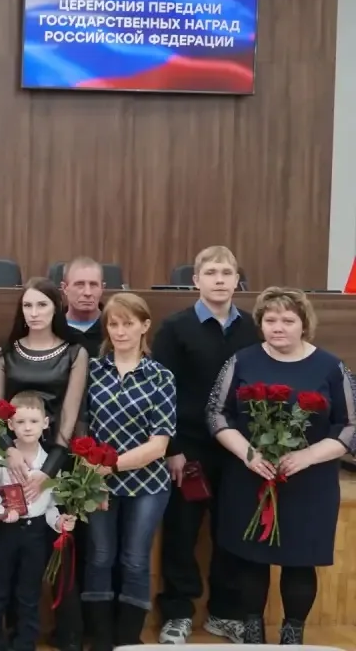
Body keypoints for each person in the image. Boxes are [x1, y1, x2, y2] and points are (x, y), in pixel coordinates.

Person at [206, 287, 356, 645]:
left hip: (309, 481)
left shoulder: (331, 367)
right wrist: (248, 453)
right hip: (251, 476)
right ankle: (252, 634)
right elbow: (216, 413)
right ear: (260, 323)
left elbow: (350, 425)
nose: (278, 327)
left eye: (288, 320)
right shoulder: (241, 361)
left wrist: (307, 455)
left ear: (304, 324)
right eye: (270, 319)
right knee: (251, 559)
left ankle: (292, 637)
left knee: (299, 561)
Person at [152, 246, 258, 645]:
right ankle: (178, 613)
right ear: (196, 280)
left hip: (237, 450)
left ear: (237, 281)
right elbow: (162, 393)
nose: (219, 279)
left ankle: (224, 614)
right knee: (181, 533)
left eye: (226, 273)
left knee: (231, 532)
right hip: (189, 449)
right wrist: (173, 448)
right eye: (211, 272)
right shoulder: (175, 328)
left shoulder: (252, 328)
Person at [0, 277, 88, 651]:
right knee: (10, 553)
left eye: (42, 305)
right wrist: (9, 451)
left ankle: (65, 634)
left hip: (57, 458)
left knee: (57, 549)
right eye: (28, 306)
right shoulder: (5, 353)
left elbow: (69, 417)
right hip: (12, 455)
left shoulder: (74, 353)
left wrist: (48, 472)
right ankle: (10, 635)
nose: (34, 313)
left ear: (56, 308)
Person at [81, 294, 175, 649]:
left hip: (147, 484)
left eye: (128, 324)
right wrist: (94, 473)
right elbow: (80, 428)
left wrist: (110, 465)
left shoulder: (161, 376)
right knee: (100, 556)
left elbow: (159, 445)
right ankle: (102, 639)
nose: (120, 331)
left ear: (144, 326)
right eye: (114, 324)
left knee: (135, 560)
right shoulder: (92, 370)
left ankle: (127, 640)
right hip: (96, 482)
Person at [0, 391, 76, 651]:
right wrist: (1, 509)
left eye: (33, 421)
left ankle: (24, 644)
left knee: (29, 593)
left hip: (36, 534)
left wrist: (60, 522)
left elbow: (52, 506)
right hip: (5, 532)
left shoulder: (49, 464)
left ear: (45, 423)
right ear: (10, 425)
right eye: (20, 422)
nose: (28, 427)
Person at [60, 257, 104, 356]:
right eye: (79, 284)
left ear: (102, 288)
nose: (87, 293)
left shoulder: (115, 327)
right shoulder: (53, 328)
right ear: (65, 288)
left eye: (93, 285)